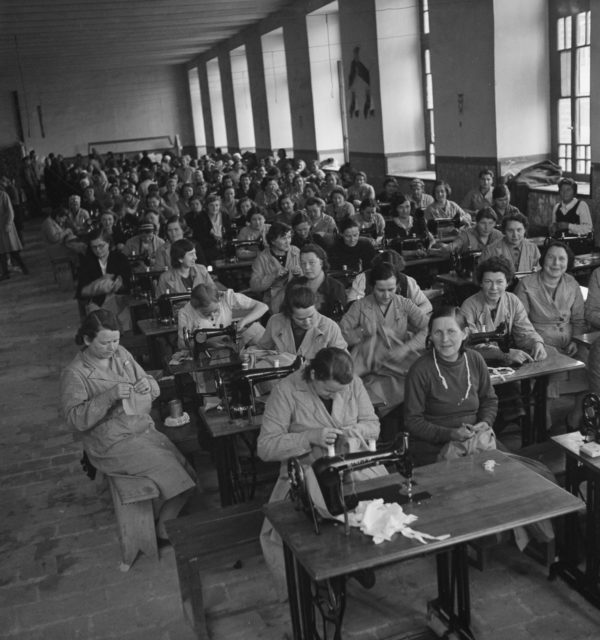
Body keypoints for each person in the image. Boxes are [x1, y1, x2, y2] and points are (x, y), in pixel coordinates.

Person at [60, 309, 195, 543]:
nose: (111, 348)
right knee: (180, 480)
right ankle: (163, 529)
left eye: (115, 340)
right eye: (105, 343)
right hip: (110, 442)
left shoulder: (121, 354)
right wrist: (107, 397)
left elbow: (150, 383)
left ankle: (159, 519)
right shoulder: (75, 373)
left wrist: (147, 385)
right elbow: (74, 419)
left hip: (139, 428)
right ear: (87, 340)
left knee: (188, 472)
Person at [257, 347, 380, 588]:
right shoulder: (286, 391)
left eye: (340, 392)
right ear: (313, 375)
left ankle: (360, 560)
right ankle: (323, 573)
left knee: (380, 502)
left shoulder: (352, 382)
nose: (335, 396)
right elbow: (265, 447)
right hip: (306, 470)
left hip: (351, 464)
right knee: (296, 527)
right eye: (328, 390)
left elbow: (373, 425)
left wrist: (352, 432)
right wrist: (309, 437)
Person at [404, 306, 498, 466]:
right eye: (437, 333)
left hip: (475, 440)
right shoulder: (420, 370)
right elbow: (412, 421)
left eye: (451, 331)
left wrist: (486, 421)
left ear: (464, 333)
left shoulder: (475, 360)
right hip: (433, 448)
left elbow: (489, 400)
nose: (444, 339)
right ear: (431, 336)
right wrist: (450, 434)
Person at [339, 263, 428, 419]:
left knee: (417, 378)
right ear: (372, 287)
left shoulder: (404, 304)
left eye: (391, 290)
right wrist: (362, 332)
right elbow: (340, 335)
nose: (386, 295)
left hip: (396, 363)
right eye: (381, 290)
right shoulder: (360, 306)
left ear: (397, 287)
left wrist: (407, 348)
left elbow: (429, 329)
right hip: (370, 365)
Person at [515, 241, 588, 428]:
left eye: (562, 259)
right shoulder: (526, 285)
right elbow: (520, 323)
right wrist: (537, 342)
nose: (556, 263)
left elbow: (579, 319)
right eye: (551, 257)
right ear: (542, 259)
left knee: (591, 362)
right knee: (549, 363)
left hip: (570, 341)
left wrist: (576, 340)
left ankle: (578, 411)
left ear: (568, 262)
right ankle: (543, 412)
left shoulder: (572, 283)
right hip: (539, 341)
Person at [461, 256, 547, 365]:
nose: (494, 287)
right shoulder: (469, 306)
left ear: (508, 283)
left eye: (499, 282)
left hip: (505, 361)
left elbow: (524, 331)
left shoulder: (513, 301)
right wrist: (504, 353)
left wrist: (536, 343)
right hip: (478, 362)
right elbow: (470, 343)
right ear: (481, 283)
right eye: (488, 281)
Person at [257, 284, 347, 360]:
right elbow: (261, 349)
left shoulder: (330, 327)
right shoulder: (275, 321)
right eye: (300, 319)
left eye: (311, 316)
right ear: (289, 313)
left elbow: (343, 360)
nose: (307, 322)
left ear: (316, 307)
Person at [177, 283, 267, 349]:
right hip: (204, 350)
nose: (212, 315)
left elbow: (263, 306)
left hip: (228, 344)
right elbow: (182, 343)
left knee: (258, 333)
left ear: (219, 299)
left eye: (215, 311)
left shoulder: (226, 297)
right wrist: (208, 343)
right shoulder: (186, 313)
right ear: (195, 308)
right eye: (206, 313)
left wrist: (244, 321)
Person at [347, 249, 433, 316]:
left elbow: (427, 305)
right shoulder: (363, 278)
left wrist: (408, 315)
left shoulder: (406, 281)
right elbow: (352, 305)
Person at [77, 229, 132, 329]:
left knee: (126, 318)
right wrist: (99, 285)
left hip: (120, 301)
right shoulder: (87, 263)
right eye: (94, 247)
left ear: (109, 243)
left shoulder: (120, 258)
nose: (98, 250)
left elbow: (128, 282)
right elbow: (81, 291)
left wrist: (119, 283)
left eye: (101, 246)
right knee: (99, 323)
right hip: (97, 303)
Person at [249, 221, 302, 313]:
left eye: (289, 237)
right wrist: (272, 276)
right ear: (273, 241)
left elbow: (309, 275)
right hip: (274, 301)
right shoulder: (262, 258)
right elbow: (254, 286)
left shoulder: (296, 251)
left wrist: (300, 273)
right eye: (283, 238)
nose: (288, 242)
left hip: (297, 296)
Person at [289, 244, 347, 319]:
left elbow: (339, 318)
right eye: (303, 263)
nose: (307, 267)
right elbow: (287, 312)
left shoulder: (336, 288)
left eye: (311, 263)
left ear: (321, 263)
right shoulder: (294, 285)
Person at [435, 207, 503, 254]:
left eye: (490, 223)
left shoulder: (498, 235)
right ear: (477, 222)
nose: (487, 227)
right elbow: (453, 247)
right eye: (483, 223)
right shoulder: (466, 234)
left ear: (495, 223)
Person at [0, 188, 29, 280]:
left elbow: (10, 211)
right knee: (1, 253)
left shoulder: (3, 195)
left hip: (6, 227)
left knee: (12, 250)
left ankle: (24, 268)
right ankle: (5, 273)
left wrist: (8, 224)